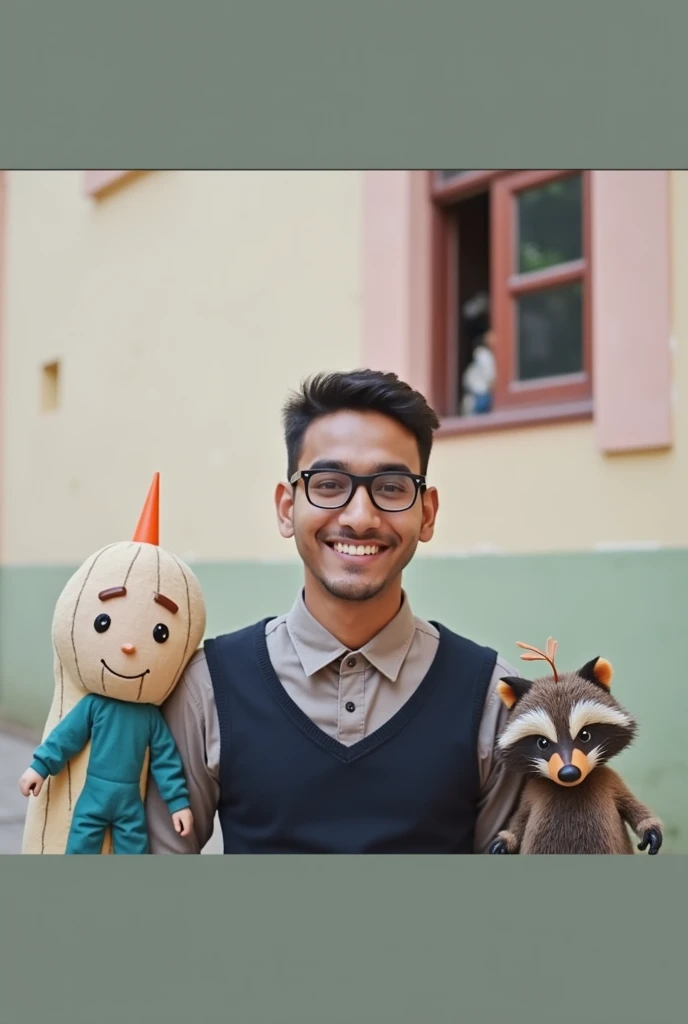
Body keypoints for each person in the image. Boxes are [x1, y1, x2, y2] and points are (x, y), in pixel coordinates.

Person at [145, 369, 522, 853]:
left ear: (426, 513)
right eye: (327, 484)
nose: (359, 517)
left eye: (390, 487)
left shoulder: (493, 699)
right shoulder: (208, 687)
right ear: (287, 508)